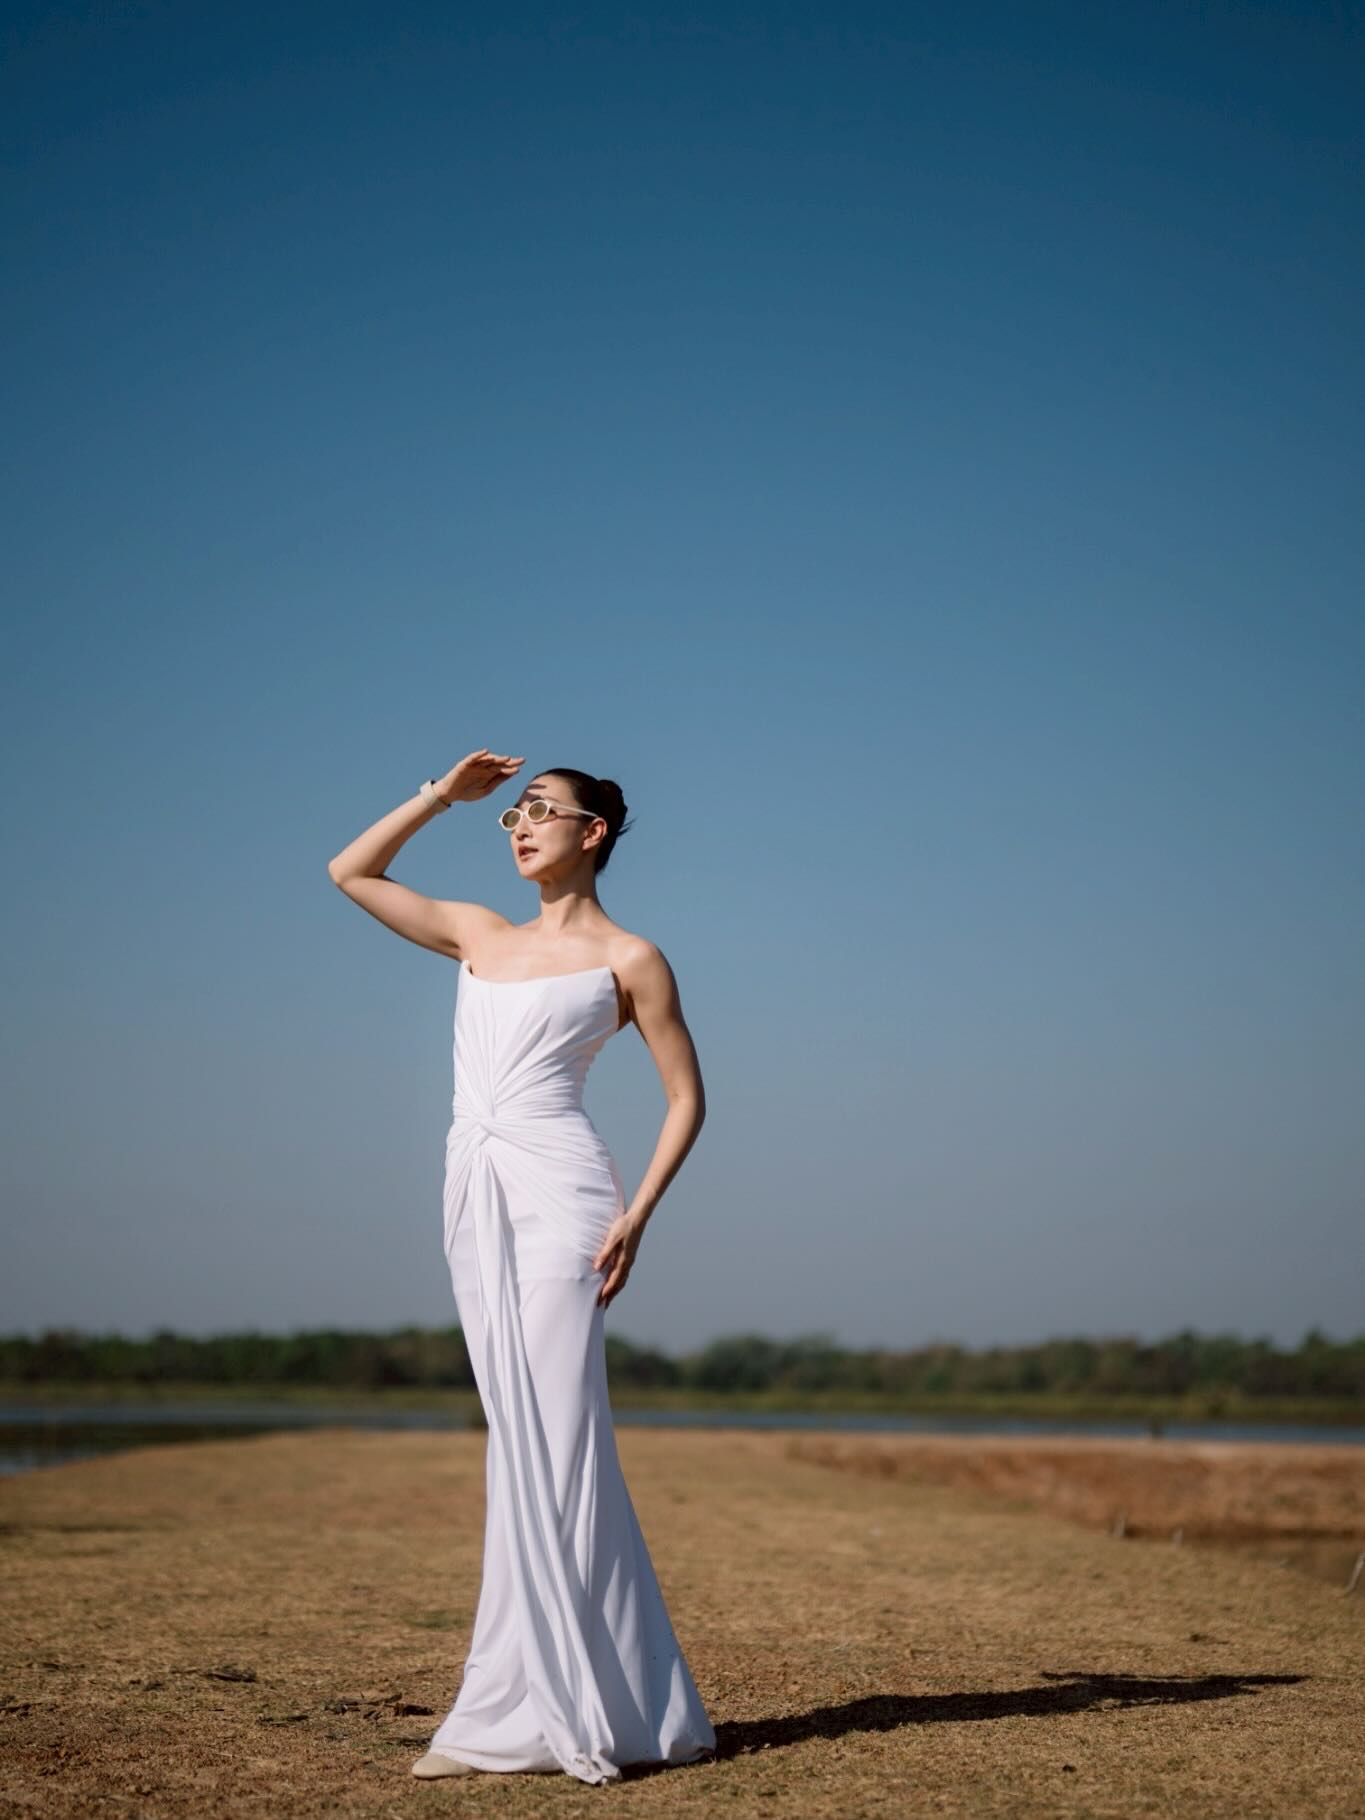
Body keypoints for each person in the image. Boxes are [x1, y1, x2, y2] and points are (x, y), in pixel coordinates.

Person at [326, 748, 717, 1785]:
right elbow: (349, 872)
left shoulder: (632, 956)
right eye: (513, 814)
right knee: (516, 1433)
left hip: (564, 1198)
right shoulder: (477, 932)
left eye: (541, 810)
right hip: (475, 1192)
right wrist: (437, 796)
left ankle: (555, 1707)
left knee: (557, 1432)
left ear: (593, 831)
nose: (521, 825)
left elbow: (686, 1095)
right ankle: (553, 1701)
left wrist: (638, 1212)